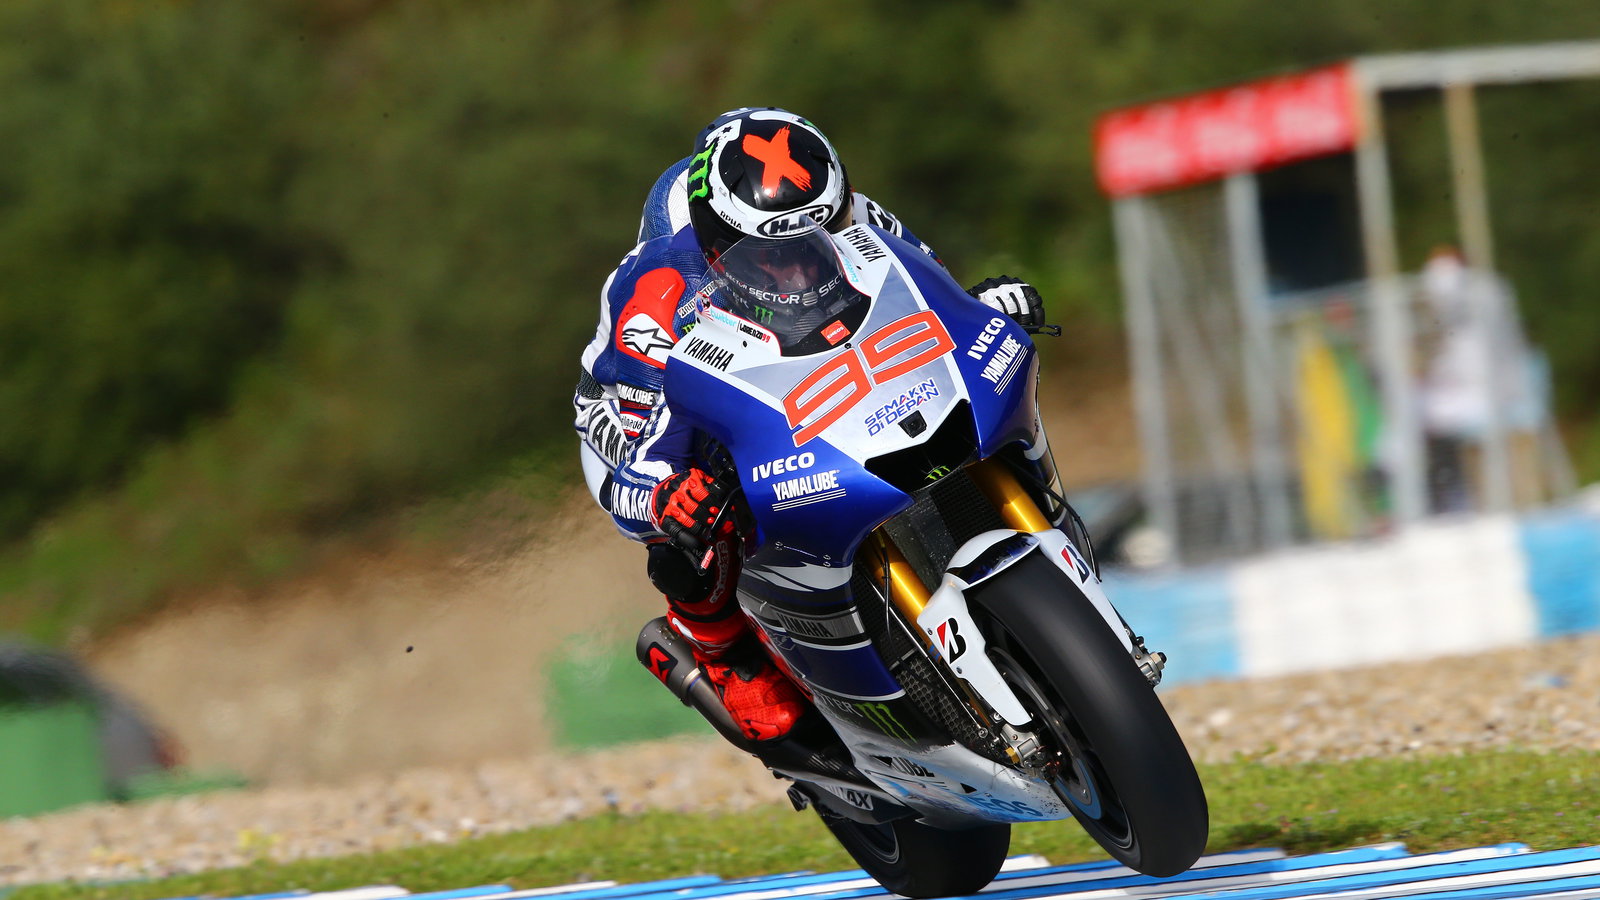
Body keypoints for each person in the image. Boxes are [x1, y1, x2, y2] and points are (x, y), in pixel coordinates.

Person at [572, 107, 1044, 744]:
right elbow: (642, 455)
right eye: (774, 254)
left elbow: (929, 294)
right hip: (635, 419)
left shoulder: (852, 215)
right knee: (692, 519)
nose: (800, 268)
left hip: (825, 372)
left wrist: (982, 304)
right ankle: (723, 653)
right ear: (718, 241)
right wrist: (662, 494)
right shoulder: (655, 295)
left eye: (815, 236)